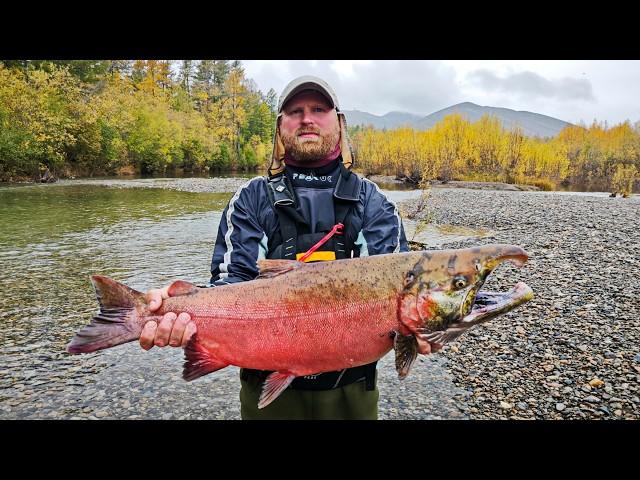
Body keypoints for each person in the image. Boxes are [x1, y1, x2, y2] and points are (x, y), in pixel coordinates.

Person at [140, 75, 410, 420]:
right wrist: (178, 309)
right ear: (280, 126)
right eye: (295, 111)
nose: (307, 118)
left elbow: (400, 290)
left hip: (351, 392)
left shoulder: (374, 203)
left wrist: (428, 330)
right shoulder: (251, 200)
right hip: (265, 387)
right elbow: (229, 287)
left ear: (339, 122)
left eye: (318, 109)